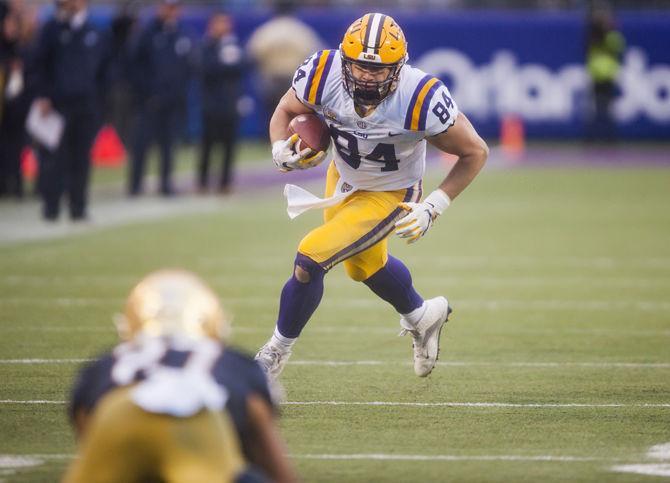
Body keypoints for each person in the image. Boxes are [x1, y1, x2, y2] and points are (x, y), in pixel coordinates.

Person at [255, 13, 488, 379]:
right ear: (345, 59)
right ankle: (422, 315)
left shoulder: (419, 97)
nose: (367, 75)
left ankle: (273, 354)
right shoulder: (322, 72)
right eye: (360, 66)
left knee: (310, 258)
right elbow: (286, 110)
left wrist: (433, 206)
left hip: (391, 192)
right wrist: (279, 147)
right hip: (343, 177)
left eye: (378, 70)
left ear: (399, 67)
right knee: (363, 266)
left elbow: (475, 152)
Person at [64, 269, 298, 483]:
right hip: (199, 418)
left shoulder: (104, 365)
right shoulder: (234, 363)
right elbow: (272, 460)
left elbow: (88, 432)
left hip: (117, 410)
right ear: (214, 323)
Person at [31, 0, 109, 221]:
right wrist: (43, 95)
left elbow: (105, 70)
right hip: (58, 105)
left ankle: (78, 206)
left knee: (81, 158)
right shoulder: (52, 29)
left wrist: (101, 101)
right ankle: (51, 206)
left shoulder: (96, 31)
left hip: (87, 105)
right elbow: (40, 65)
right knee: (55, 157)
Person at [128, 0, 193, 197]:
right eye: (168, 7)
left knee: (168, 144)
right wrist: (147, 93)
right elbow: (134, 66)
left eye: (174, 8)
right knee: (142, 143)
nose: (171, 11)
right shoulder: (147, 33)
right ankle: (135, 185)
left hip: (172, 100)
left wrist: (179, 92)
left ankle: (166, 184)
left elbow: (188, 66)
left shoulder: (181, 34)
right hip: (149, 101)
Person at [246, 0, 321, 130]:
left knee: (273, 116)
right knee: (294, 116)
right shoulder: (300, 30)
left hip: (271, 79)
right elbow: (317, 55)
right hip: (294, 81)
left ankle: (272, 142)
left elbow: (251, 54)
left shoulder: (267, 30)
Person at [198, 12, 245, 194]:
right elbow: (206, 70)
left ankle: (225, 182)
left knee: (229, 145)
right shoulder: (206, 45)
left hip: (229, 103)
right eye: (220, 23)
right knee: (208, 144)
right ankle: (202, 182)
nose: (224, 26)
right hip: (211, 103)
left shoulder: (232, 44)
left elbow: (242, 67)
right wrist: (224, 63)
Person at [586, 6, 625, 142]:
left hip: (608, 75)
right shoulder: (593, 33)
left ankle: (609, 137)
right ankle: (593, 137)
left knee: (608, 108)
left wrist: (610, 31)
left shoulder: (611, 35)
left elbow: (618, 46)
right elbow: (589, 47)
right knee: (595, 108)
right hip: (597, 75)